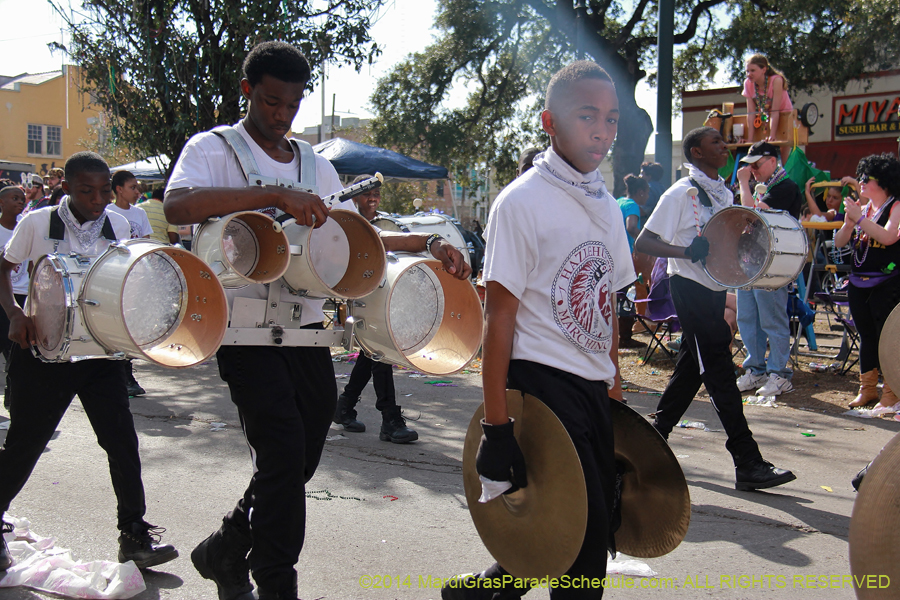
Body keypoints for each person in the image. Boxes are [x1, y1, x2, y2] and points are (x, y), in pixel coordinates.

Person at [165, 41, 469, 600]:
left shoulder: (318, 165)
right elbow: (177, 207)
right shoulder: (213, 148)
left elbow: (361, 235)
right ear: (248, 91)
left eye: (292, 105)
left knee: (297, 460)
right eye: (272, 102)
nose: (282, 115)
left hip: (307, 328)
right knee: (281, 456)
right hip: (241, 327)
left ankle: (228, 545)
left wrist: (427, 242)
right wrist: (273, 194)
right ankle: (276, 582)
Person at [444, 60, 634, 600]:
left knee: (569, 525)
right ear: (550, 123)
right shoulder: (520, 202)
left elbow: (606, 305)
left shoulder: (606, 205)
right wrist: (498, 428)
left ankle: (482, 593)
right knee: (584, 555)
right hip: (542, 386)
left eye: (612, 119)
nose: (602, 130)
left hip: (593, 391)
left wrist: (614, 391)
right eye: (587, 116)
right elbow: (497, 317)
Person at [0, 151, 178, 572]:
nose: (98, 199)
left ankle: (133, 533)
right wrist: (13, 314)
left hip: (100, 351)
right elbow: (3, 269)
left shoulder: (119, 224)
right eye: (86, 191)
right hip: (44, 350)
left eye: (103, 190)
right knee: (26, 443)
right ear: (67, 187)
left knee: (121, 442)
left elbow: (133, 279)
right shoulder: (37, 223)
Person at [634, 127, 795, 492]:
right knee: (719, 370)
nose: (724, 147)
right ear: (696, 152)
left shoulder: (722, 193)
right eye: (716, 143)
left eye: (724, 142)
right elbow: (646, 240)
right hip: (688, 288)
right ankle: (747, 460)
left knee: (694, 366)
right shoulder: (681, 193)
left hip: (714, 290)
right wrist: (686, 251)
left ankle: (653, 437)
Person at [333, 175, 418, 443]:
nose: (373, 198)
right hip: (358, 294)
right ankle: (389, 418)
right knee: (379, 350)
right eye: (367, 193)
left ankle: (344, 406)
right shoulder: (346, 223)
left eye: (377, 194)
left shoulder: (383, 224)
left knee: (372, 352)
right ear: (354, 197)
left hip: (379, 293)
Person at [734, 141, 802, 396]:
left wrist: (743, 184)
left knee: (772, 319)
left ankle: (779, 374)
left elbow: (753, 213)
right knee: (748, 318)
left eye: (757, 165)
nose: (752, 171)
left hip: (773, 264)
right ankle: (756, 369)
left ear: (772, 161)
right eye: (749, 167)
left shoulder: (785, 186)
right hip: (751, 261)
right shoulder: (763, 187)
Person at [833, 154, 900, 409]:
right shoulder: (863, 209)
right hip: (859, 282)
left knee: (888, 337)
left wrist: (860, 219)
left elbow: (889, 236)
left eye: (866, 178)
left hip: (888, 280)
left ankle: (892, 391)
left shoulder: (896, 206)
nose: (860, 182)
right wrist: (849, 224)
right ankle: (867, 388)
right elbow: (840, 243)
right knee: (866, 336)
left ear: (883, 181)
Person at [0, 186, 28, 411]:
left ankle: (12, 395)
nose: (20, 202)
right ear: (1, 202)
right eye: (14, 198)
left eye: (22, 199)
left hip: (22, 297)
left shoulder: (24, 230)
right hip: (3, 297)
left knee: (15, 352)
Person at [616, 174, 650, 348]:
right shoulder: (632, 205)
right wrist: (644, 240)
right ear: (641, 192)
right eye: (647, 193)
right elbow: (631, 227)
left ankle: (620, 335)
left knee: (618, 295)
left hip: (615, 254)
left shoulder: (619, 201)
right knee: (629, 295)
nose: (648, 197)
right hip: (628, 256)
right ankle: (625, 337)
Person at [742, 54, 792, 145]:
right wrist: (750, 139)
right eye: (747, 71)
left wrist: (772, 136)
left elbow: (775, 111)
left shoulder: (776, 80)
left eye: (753, 70)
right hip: (767, 116)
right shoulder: (747, 84)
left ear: (763, 70)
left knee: (782, 148)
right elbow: (750, 113)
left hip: (784, 115)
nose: (749, 74)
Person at [109, 171, 152, 240]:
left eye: (137, 188)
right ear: (119, 189)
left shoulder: (140, 213)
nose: (137, 192)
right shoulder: (107, 213)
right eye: (132, 188)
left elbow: (146, 241)